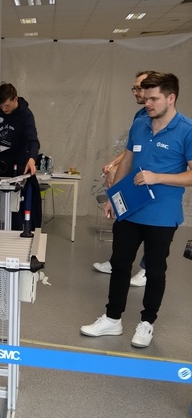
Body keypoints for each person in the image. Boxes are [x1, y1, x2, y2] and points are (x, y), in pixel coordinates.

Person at [81, 71, 192, 348]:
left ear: (171, 98)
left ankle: (146, 322)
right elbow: (127, 162)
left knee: (154, 270)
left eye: (153, 98)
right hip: (130, 210)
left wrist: (158, 177)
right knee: (120, 264)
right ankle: (112, 319)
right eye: (145, 97)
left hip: (162, 216)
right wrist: (113, 197)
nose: (147, 103)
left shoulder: (187, 130)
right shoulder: (140, 124)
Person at [93, 71, 154, 287]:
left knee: (151, 229)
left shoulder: (164, 119)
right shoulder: (140, 116)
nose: (135, 92)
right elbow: (131, 148)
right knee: (124, 221)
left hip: (153, 183)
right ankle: (116, 262)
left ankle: (146, 269)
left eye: (139, 88)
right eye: (134, 88)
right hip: (133, 179)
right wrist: (114, 164)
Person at [0, 82, 42, 229]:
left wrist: (32, 159)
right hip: (1, 165)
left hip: (20, 165)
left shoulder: (26, 115)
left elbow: (33, 140)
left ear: (15, 99)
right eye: (1, 106)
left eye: (6, 106)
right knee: (1, 208)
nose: (4, 109)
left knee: (17, 207)